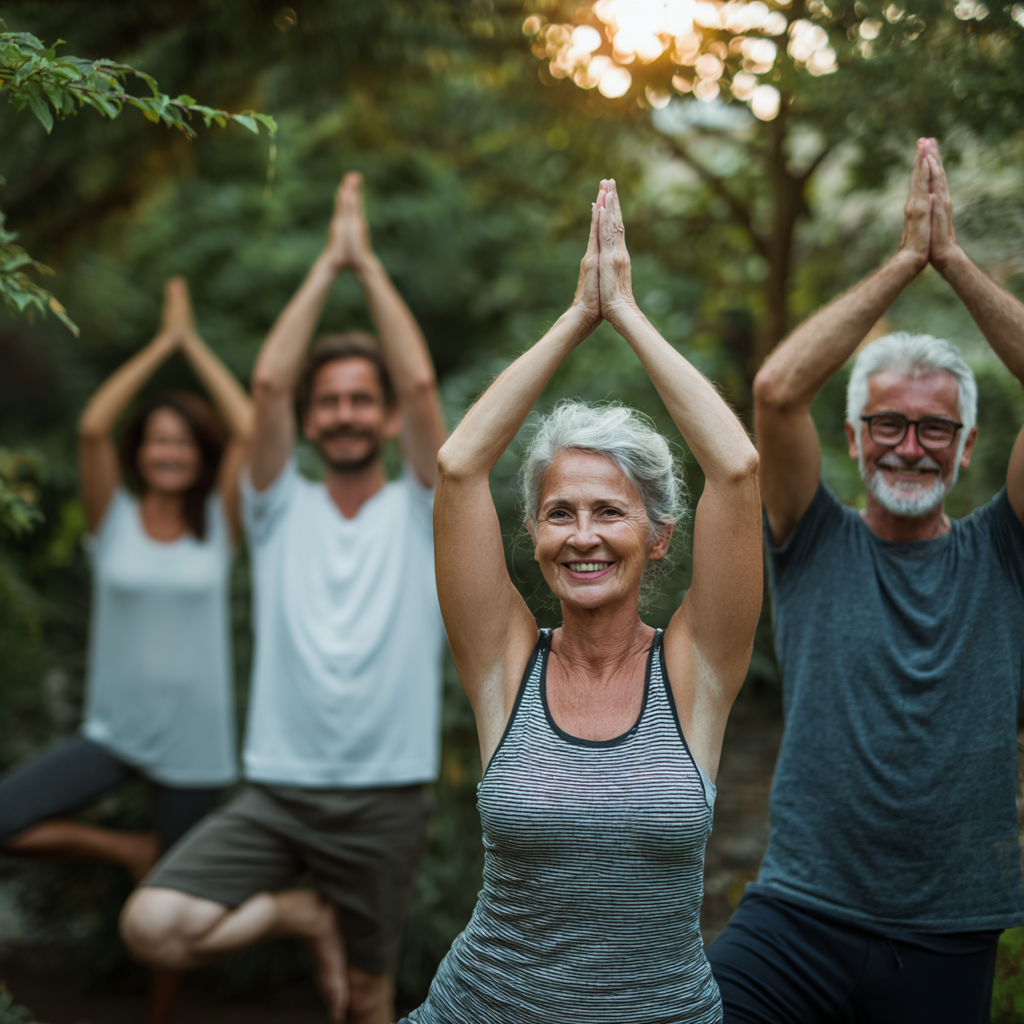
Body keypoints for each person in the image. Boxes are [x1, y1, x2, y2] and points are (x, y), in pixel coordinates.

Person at [399, 179, 762, 1024]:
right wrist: (576, 315)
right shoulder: (506, 662)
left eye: (610, 511)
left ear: (659, 535)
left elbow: (739, 470)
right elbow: (457, 468)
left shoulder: (696, 668)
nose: (583, 535)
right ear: (532, 534)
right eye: (559, 512)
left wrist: (627, 314)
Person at [706, 138, 1024, 1023]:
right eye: (886, 421)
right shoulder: (811, 537)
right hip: (799, 909)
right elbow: (775, 391)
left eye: (934, 429)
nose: (909, 444)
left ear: (966, 449)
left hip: (951, 926)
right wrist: (900, 265)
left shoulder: (1005, 548)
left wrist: (951, 261)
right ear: (852, 439)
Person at [121, 172, 448, 1024]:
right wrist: (324, 267)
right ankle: (304, 916)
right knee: (153, 925)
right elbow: (265, 386)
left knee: (370, 1000)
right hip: (277, 791)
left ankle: (337, 945)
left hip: (387, 791)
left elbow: (421, 391)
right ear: (308, 422)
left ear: (381, 422)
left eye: (358, 401)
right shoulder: (274, 509)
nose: (343, 413)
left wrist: (366, 267)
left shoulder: (422, 508)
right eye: (328, 401)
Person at [0, 277, 251, 1023]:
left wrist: (192, 345)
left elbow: (247, 427)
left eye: (181, 440)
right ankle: (125, 852)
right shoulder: (112, 518)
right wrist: (158, 348)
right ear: (139, 453)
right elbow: (90, 428)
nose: (168, 450)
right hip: (114, 730)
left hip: (196, 742)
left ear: (196, 454)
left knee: (174, 913)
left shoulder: (220, 522)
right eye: (156, 439)